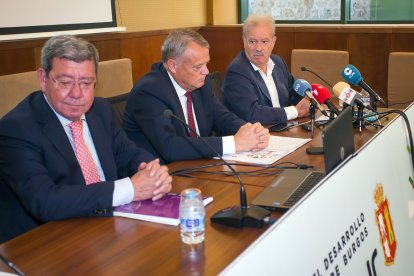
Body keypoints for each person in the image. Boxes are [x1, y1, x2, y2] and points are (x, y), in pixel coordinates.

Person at [0, 35, 172, 243]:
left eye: (86, 82)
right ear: (43, 80)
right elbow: (45, 201)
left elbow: (130, 154)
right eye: (65, 82)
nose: (77, 93)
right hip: (45, 241)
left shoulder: (100, 110)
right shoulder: (17, 128)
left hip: (106, 227)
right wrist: (130, 189)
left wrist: (153, 173)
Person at [123, 29, 270, 163]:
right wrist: (235, 143)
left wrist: (251, 132)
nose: (206, 72)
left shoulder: (199, 82)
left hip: (198, 165)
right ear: (173, 66)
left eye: (206, 64)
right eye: (197, 67)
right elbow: (171, 147)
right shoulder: (148, 92)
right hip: (163, 176)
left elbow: (221, 117)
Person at [221, 14, 310, 126]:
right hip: (252, 136)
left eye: (264, 42)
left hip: (283, 129)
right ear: (244, 41)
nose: (258, 48)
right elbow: (253, 114)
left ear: (273, 42)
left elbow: (293, 93)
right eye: (252, 42)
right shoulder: (236, 72)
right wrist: (294, 111)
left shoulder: (278, 63)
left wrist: (306, 103)